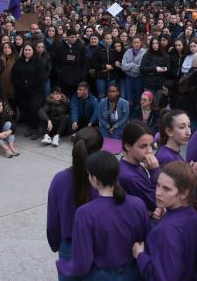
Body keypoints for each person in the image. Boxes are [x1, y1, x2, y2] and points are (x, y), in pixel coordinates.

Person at [56, 151, 148, 280]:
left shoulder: (85, 213)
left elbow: (82, 264)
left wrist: (63, 266)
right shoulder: (138, 204)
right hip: (133, 273)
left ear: (94, 179)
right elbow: (144, 241)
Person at [132, 161, 197, 281]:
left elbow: (162, 277)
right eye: (158, 185)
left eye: (166, 189)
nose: (158, 193)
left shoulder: (166, 231)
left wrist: (140, 256)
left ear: (184, 194)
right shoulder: (193, 214)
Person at [47, 127, 104, 279]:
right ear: (99, 151)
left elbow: (53, 221)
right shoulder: (104, 182)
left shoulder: (59, 179)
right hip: (98, 247)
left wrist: (55, 244)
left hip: (68, 247)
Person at [118, 120, 159, 212]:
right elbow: (155, 202)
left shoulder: (136, 165)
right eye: (143, 146)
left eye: (151, 145)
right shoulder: (129, 177)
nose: (149, 151)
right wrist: (155, 171)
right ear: (128, 146)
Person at [12, 44, 47, 140]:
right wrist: (20, 84)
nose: (27, 52)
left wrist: (29, 85)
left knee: (34, 109)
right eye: (25, 50)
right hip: (22, 91)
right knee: (24, 110)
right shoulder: (19, 62)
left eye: (29, 50)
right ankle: (30, 128)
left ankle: (36, 129)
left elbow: (40, 77)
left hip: (36, 92)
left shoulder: (37, 62)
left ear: (33, 51)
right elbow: (14, 75)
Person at [53, 29, 89, 99]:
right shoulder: (60, 47)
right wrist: (59, 73)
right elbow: (56, 62)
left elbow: (85, 63)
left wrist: (82, 75)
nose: (74, 39)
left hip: (77, 79)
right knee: (64, 98)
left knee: (75, 98)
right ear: (67, 37)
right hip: (64, 78)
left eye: (75, 37)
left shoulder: (81, 47)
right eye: (72, 37)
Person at [122, 36, 146, 107]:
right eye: (134, 42)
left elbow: (140, 68)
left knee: (138, 95)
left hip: (139, 78)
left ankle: (137, 112)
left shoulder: (144, 53)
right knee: (129, 96)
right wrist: (133, 65)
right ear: (132, 43)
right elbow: (123, 66)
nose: (136, 44)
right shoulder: (127, 52)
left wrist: (129, 65)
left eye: (137, 42)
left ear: (140, 43)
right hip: (129, 77)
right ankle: (129, 112)